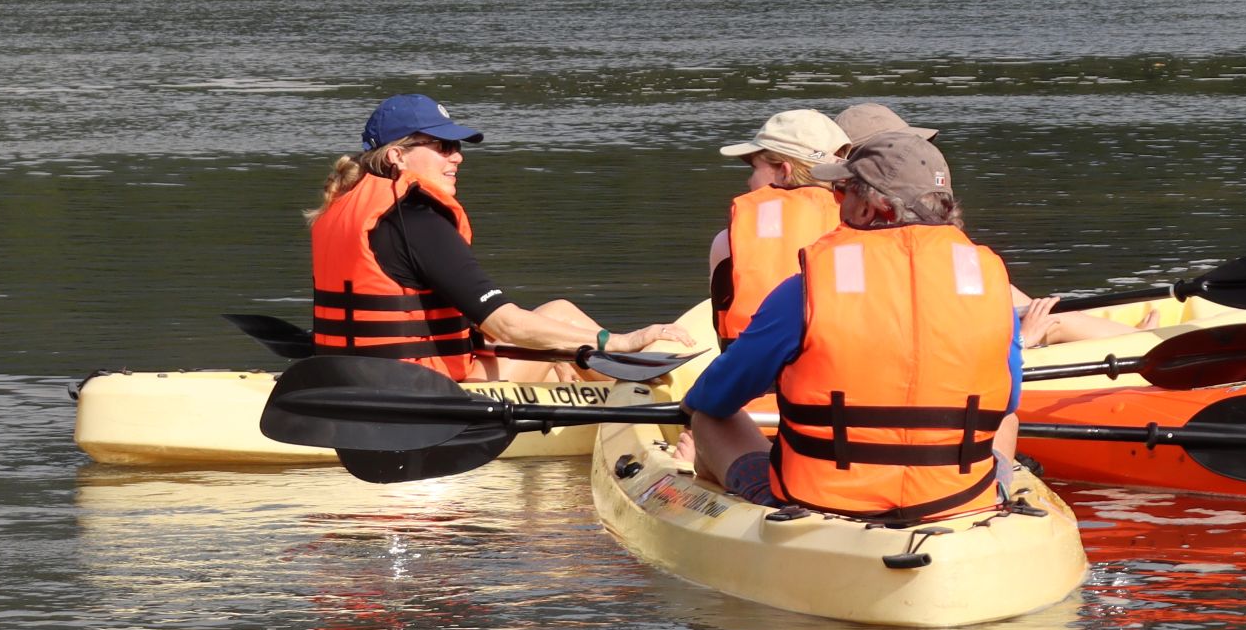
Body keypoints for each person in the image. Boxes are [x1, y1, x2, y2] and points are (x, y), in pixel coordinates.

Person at [686, 133, 1025, 520]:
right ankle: (994, 507)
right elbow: (1008, 400)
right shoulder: (990, 284)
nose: (839, 201)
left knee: (706, 418)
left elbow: (715, 397)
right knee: (1008, 416)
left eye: (844, 190)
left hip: (823, 505)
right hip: (958, 500)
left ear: (869, 208)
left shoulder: (806, 287)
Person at [309, 93, 695, 383]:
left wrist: (558, 349)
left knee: (557, 328)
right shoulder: (417, 219)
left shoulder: (343, 210)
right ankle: (640, 419)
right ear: (397, 156)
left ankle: (598, 395)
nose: (456, 157)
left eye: (457, 147)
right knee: (560, 321)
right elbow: (507, 325)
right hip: (422, 394)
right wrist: (622, 341)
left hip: (349, 381)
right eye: (443, 147)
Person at [836, 101, 1141, 348]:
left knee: (1031, 310)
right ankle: (1139, 341)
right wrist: (1022, 340)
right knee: (1045, 320)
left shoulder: (846, 217)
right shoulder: (855, 221)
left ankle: (1129, 336)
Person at [709, 108, 849, 344]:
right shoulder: (862, 228)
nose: (748, 180)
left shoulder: (727, 241)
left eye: (754, 168)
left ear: (784, 172)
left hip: (757, 372)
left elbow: (720, 326)